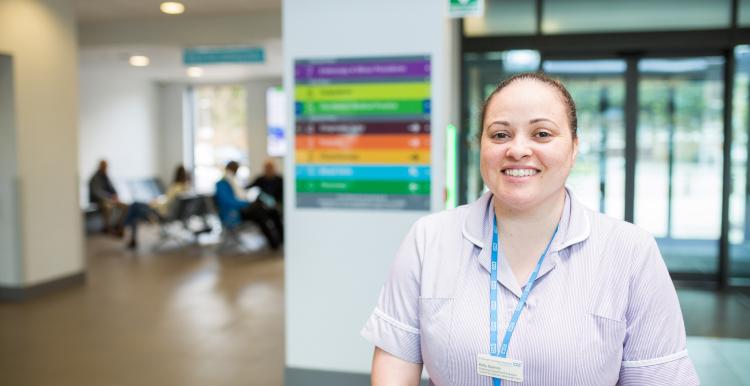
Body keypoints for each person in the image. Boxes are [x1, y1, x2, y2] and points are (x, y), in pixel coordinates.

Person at [361, 73, 698, 385]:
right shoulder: (429, 239)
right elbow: (395, 367)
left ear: (574, 146)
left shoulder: (630, 252)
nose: (518, 149)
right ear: (481, 145)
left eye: (542, 134)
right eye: (500, 134)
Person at [215, 161, 283, 250]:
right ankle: (274, 244)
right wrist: (246, 203)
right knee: (260, 214)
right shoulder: (222, 184)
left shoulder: (232, 182)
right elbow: (229, 202)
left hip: (242, 209)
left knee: (271, 213)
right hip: (233, 214)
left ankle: (280, 241)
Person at [88, 159, 127, 236]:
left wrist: (115, 195)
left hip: (109, 199)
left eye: (106, 167)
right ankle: (107, 228)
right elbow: (97, 193)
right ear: (100, 166)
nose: (106, 168)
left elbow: (112, 188)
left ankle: (119, 225)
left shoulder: (106, 176)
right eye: (104, 166)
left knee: (126, 206)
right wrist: (109, 197)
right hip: (98, 200)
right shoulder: (94, 178)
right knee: (108, 206)